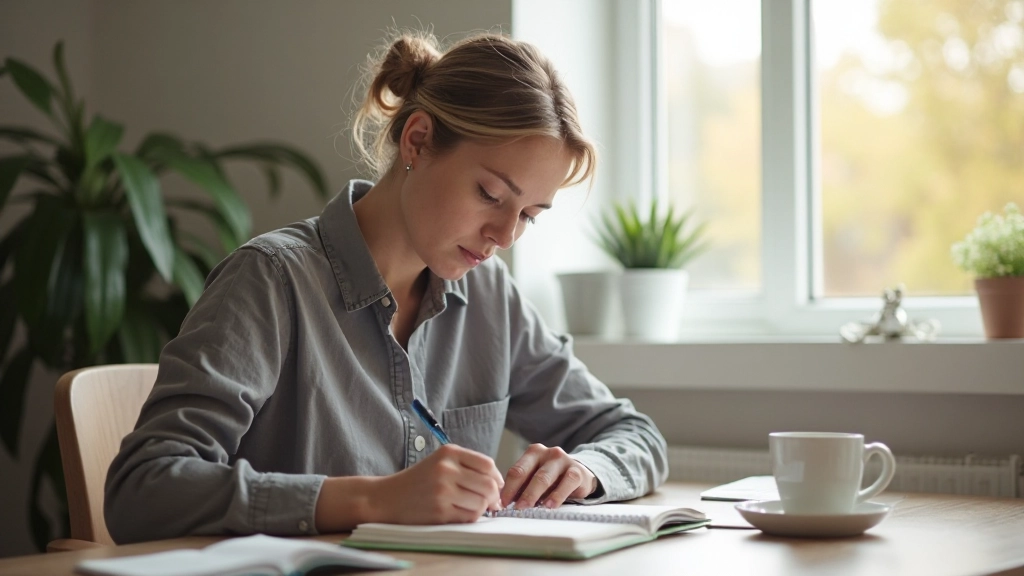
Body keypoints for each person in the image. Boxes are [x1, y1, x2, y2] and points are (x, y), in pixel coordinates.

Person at [104, 31, 668, 544]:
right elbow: (143, 488)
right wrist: (373, 500)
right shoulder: (271, 280)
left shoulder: (491, 297)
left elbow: (632, 433)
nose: (504, 235)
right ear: (417, 141)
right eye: (491, 195)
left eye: (530, 215)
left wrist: (589, 470)